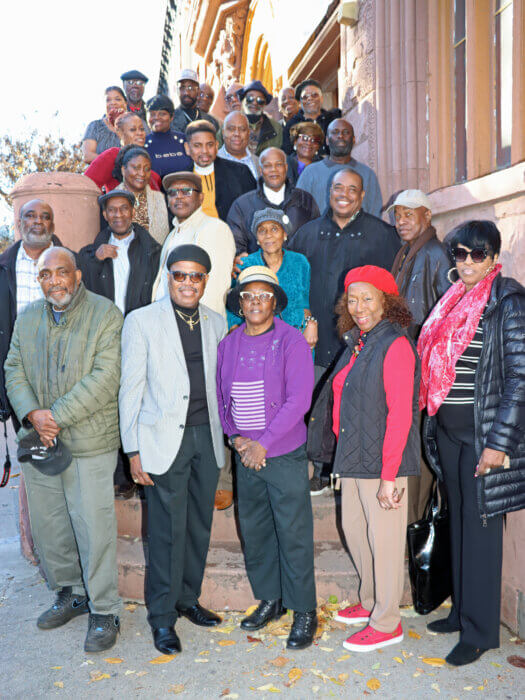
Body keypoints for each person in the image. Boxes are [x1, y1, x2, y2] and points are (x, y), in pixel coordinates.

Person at [5, 247, 123, 653]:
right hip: (41, 441)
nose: (54, 281)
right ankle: (70, 593)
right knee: (51, 525)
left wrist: (53, 415)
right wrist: (33, 414)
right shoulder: (28, 317)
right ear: (38, 280)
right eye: (45, 275)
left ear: (77, 275)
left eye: (61, 272)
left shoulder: (106, 314)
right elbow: (13, 368)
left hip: (89, 441)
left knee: (93, 527)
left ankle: (104, 609)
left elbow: (105, 377)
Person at [418, 221, 525, 666]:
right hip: (449, 433)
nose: (465, 263)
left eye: (475, 255)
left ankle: (480, 632)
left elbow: (520, 379)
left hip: (484, 438)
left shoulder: (508, 302)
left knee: (480, 531)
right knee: (459, 523)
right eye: (459, 254)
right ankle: (462, 612)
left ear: (493, 257)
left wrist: (499, 444)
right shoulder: (453, 298)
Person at [119, 244, 227, 655]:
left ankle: (187, 598)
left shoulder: (216, 323)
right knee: (166, 532)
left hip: (206, 436)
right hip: (162, 440)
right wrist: (133, 449)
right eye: (180, 274)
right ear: (168, 277)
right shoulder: (142, 321)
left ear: (205, 281)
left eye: (195, 276)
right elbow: (130, 389)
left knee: (199, 525)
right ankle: (162, 618)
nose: (187, 282)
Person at [308, 266, 420, 652]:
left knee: (385, 543)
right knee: (357, 533)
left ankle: (388, 622)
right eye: (352, 300)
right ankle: (371, 602)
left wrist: (390, 475)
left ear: (387, 302)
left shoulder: (395, 345)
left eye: (367, 298)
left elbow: (402, 414)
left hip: (383, 464)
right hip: (353, 458)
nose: (359, 307)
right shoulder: (360, 341)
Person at [217, 266, 317, 649]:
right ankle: (271, 600)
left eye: (263, 296)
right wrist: (237, 438)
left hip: (283, 453)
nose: (255, 302)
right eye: (248, 296)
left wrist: (264, 444)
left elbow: (299, 400)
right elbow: (222, 399)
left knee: (293, 533)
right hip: (247, 454)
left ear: (274, 303)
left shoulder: (291, 341)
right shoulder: (229, 344)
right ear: (239, 304)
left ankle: (304, 609)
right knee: (256, 531)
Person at [289, 168, 400, 494]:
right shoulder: (307, 234)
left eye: (353, 189)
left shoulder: (382, 235)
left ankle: (344, 468)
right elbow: (295, 283)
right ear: (329, 190)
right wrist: (305, 319)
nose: (344, 194)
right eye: (339, 187)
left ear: (362, 196)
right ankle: (318, 468)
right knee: (314, 405)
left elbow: (393, 291)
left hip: (364, 342)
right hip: (316, 340)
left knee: (354, 407)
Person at [387, 189, 452, 522]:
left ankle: (414, 525)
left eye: (409, 214)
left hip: (423, 367)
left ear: (427, 216)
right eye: (397, 215)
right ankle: (408, 524)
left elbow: (448, 314)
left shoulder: (435, 254)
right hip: (408, 362)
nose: (400, 221)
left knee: (419, 444)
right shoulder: (408, 252)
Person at [0, 200, 60, 428]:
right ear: (19, 222)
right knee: (29, 444)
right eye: (31, 216)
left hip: (63, 369)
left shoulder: (72, 262)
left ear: (52, 225)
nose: (37, 221)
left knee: (66, 445)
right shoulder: (4, 267)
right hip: (19, 370)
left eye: (44, 217)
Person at [227, 208, 317, 345]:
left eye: (274, 229)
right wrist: (236, 334)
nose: (268, 235)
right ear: (257, 238)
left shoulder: (300, 262)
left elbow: (304, 303)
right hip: (256, 340)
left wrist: (311, 324)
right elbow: (232, 307)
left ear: (284, 234)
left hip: (295, 339)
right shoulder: (244, 264)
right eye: (262, 230)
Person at [153, 172, 235, 316]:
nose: (178, 196)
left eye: (186, 191)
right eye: (172, 193)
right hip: (166, 322)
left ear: (201, 198)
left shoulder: (213, 228)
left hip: (194, 326)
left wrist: (199, 328)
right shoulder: (173, 233)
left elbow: (214, 289)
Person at [227, 147, 319, 255]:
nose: (273, 170)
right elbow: (235, 244)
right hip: (259, 269)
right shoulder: (242, 205)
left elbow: (316, 238)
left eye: (278, 164)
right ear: (260, 171)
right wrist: (240, 257)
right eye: (267, 166)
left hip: (300, 269)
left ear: (286, 168)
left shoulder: (305, 199)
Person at [296, 119, 383, 217]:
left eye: (346, 132)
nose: (340, 136)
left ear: (353, 140)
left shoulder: (368, 174)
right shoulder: (310, 172)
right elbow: (299, 213)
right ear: (327, 140)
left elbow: (375, 215)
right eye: (335, 132)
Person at [184, 120, 256, 221]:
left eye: (210, 145)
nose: (205, 151)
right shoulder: (180, 178)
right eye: (197, 145)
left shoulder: (240, 172)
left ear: (216, 146)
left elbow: (254, 209)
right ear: (187, 148)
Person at [84, 112, 162, 193]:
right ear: (120, 133)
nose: (140, 133)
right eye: (133, 129)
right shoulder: (113, 156)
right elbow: (86, 184)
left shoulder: (153, 169)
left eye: (142, 129)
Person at [114, 146, 169, 245]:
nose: (142, 173)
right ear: (123, 170)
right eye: (136, 168)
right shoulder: (110, 201)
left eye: (147, 169)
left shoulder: (162, 200)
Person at [283, 79, 341, 156]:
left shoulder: (333, 119)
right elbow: (287, 154)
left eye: (314, 95)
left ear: (322, 98)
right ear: (300, 103)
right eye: (305, 97)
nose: (310, 98)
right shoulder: (291, 125)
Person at [144, 95, 193, 180]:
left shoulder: (185, 140)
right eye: (152, 114)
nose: (157, 118)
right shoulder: (142, 145)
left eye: (162, 114)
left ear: (172, 117)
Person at [237, 80, 284, 155]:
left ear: (264, 104)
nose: (254, 103)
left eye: (260, 100)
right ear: (243, 100)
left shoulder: (276, 128)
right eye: (250, 98)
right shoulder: (230, 123)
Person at [82, 86, 127, 163]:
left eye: (117, 99)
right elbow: (88, 156)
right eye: (108, 100)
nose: (113, 103)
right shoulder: (95, 126)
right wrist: (114, 162)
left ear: (125, 104)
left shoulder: (134, 125)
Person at [218, 111, 260, 180]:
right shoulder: (212, 161)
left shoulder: (258, 163)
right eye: (231, 129)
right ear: (223, 132)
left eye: (242, 129)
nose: (237, 134)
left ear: (249, 133)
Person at [287, 121, 324, 187]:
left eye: (314, 140)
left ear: (318, 146)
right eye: (304, 138)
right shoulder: (284, 164)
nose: (309, 143)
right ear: (295, 141)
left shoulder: (324, 167)